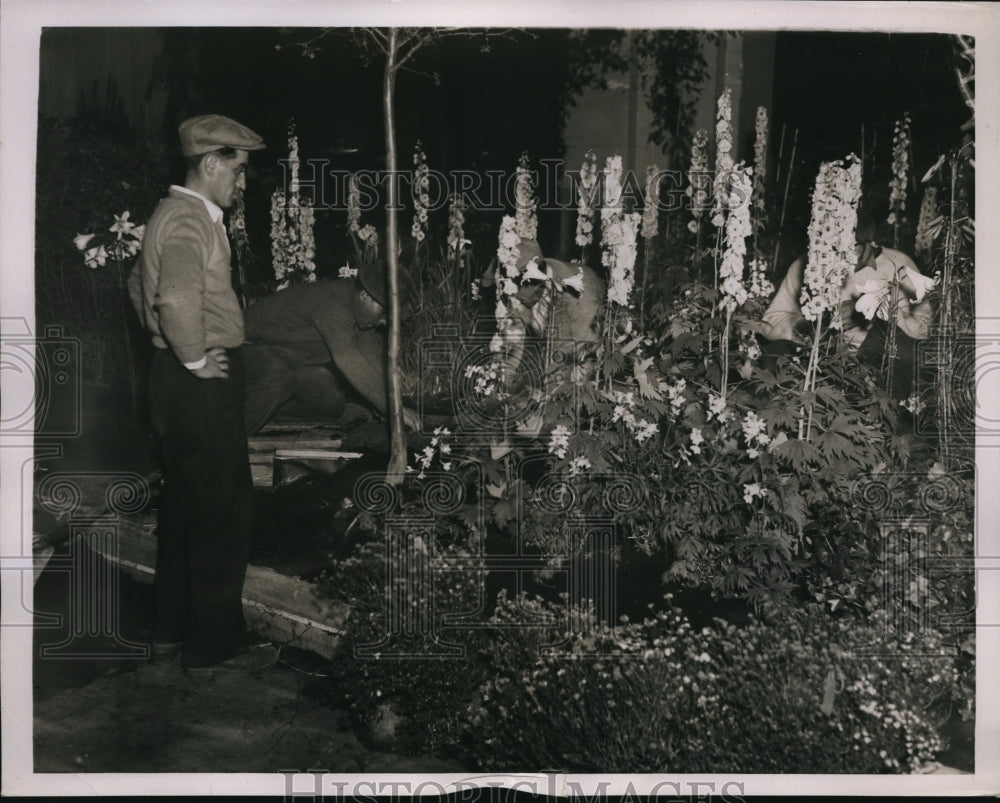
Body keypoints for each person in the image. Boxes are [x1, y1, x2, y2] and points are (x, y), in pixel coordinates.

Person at [128, 114, 276, 672]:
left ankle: (170, 631)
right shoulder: (192, 220)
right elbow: (174, 298)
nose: (242, 182)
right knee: (225, 513)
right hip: (198, 383)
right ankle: (213, 643)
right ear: (211, 163)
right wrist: (192, 355)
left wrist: (168, 352)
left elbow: (137, 286)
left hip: (170, 383)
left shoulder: (165, 215)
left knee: (185, 510)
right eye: (237, 170)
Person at [760, 212, 935, 399]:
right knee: (774, 354)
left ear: (866, 243)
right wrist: (813, 325)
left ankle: (887, 420)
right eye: (829, 245)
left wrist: (876, 315)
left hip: (875, 362)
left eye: (848, 246)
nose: (835, 254)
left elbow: (924, 327)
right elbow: (769, 322)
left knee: (899, 354)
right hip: (818, 358)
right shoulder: (807, 265)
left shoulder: (897, 264)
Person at [242, 260, 420, 435]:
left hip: (287, 360)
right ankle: (225, 440)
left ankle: (260, 411)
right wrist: (390, 407)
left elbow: (372, 362)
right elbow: (349, 359)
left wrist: (390, 404)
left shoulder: (363, 318)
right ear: (365, 295)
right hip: (243, 350)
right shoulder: (332, 303)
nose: (384, 322)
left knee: (330, 402)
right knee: (276, 373)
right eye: (384, 313)